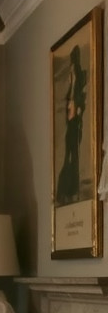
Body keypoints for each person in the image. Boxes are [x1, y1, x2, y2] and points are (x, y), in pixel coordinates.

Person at [55, 43, 87, 206]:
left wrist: (76, 111)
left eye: (72, 72)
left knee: (73, 157)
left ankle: (71, 190)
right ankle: (66, 190)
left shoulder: (78, 88)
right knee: (69, 155)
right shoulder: (72, 90)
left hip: (75, 126)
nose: (69, 75)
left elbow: (78, 106)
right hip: (72, 126)